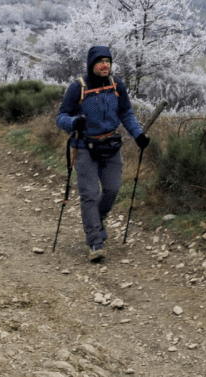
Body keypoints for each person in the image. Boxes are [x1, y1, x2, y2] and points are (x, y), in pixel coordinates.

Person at [56, 45, 150, 261]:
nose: (105, 65)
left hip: (110, 146)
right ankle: (95, 243)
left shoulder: (117, 86)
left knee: (112, 189)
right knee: (89, 195)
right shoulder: (78, 87)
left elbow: (126, 113)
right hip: (84, 148)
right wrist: (74, 122)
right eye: (100, 61)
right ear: (92, 64)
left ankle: (96, 223)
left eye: (108, 61)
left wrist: (138, 135)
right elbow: (60, 117)